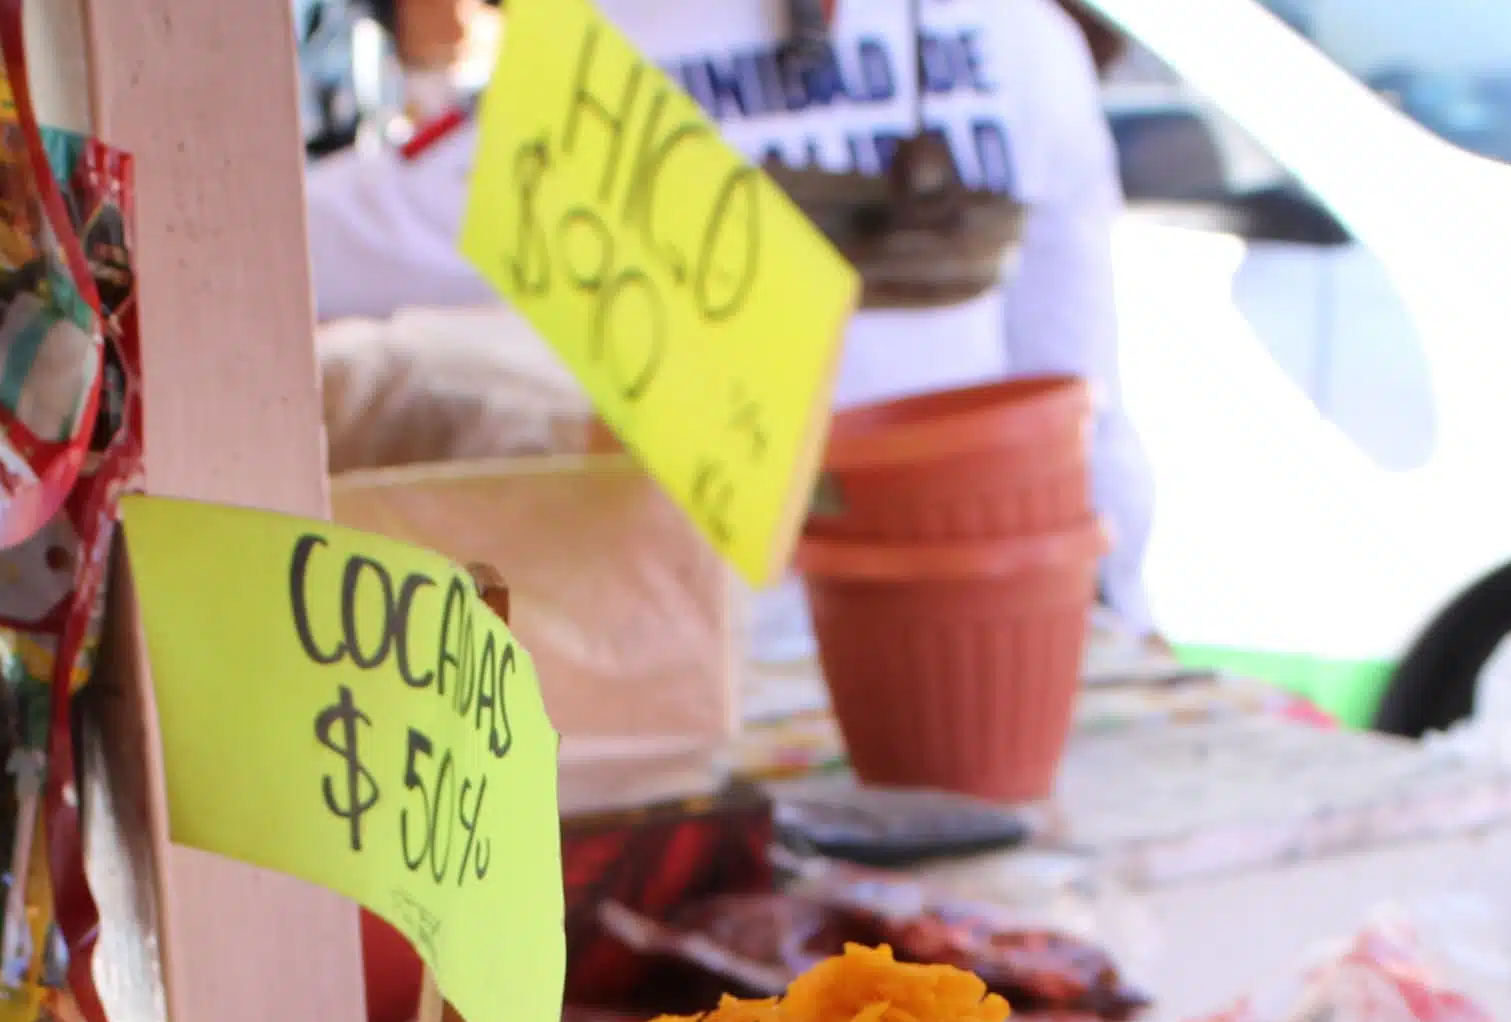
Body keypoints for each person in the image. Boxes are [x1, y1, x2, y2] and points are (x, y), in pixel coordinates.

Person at [306, 0, 1153, 626]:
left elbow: (328, 243)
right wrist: (1125, 619)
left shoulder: (614, 50)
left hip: (698, 665)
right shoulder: (1025, 41)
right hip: (963, 630)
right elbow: (1081, 394)